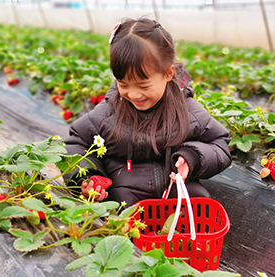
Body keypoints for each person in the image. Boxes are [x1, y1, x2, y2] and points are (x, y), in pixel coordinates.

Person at [63, 17, 232, 207]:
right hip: (124, 187)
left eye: (143, 85)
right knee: (118, 206)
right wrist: (88, 177)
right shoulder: (109, 113)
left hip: (175, 184)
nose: (133, 94)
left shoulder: (187, 111)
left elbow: (220, 145)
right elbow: (76, 143)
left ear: (168, 73)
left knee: (200, 201)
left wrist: (192, 157)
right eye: (123, 84)